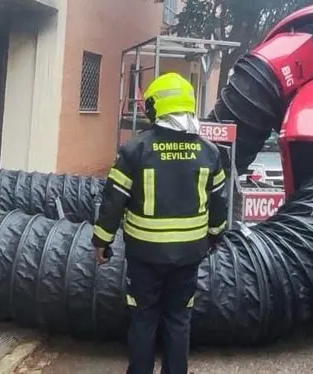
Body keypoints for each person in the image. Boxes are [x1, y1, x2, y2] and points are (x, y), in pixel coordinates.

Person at [92, 72, 228, 374]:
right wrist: (216, 235)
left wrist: (101, 241)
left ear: (156, 107)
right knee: (179, 319)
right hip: (190, 255)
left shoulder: (135, 150)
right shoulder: (209, 152)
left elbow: (113, 201)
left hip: (146, 255)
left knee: (144, 319)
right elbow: (219, 204)